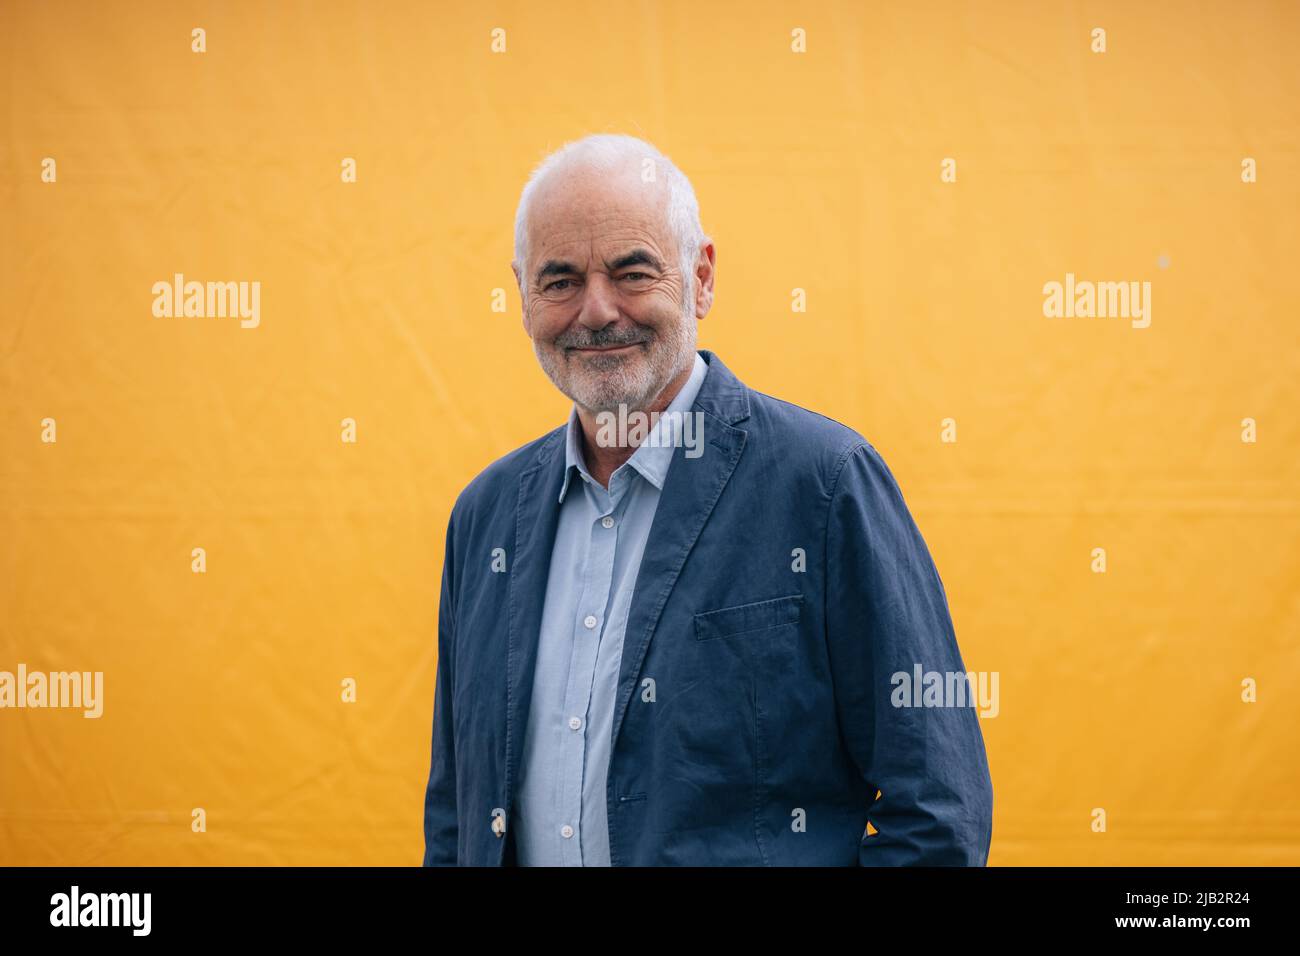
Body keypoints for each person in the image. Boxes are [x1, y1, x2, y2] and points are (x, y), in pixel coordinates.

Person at [422, 133, 993, 866]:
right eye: (559, 280)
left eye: (632, 272)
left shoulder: (824, 484)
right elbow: (457, 816)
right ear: (522, 295)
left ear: (702, 277)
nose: (596, 311)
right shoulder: (485, 517)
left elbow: (939, 813)